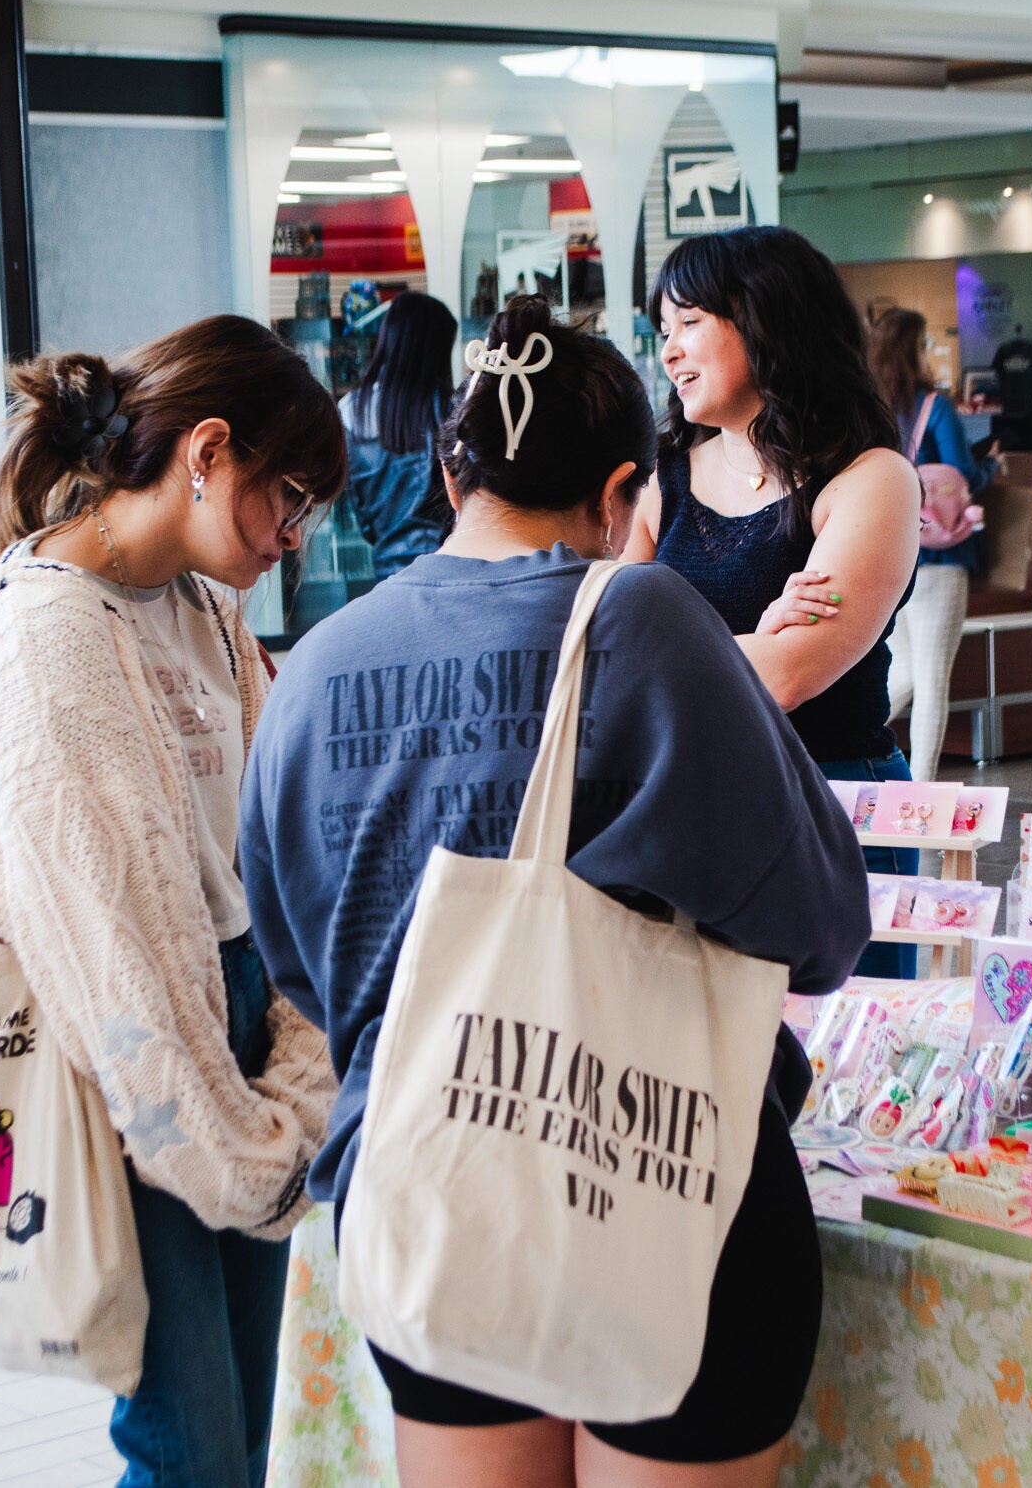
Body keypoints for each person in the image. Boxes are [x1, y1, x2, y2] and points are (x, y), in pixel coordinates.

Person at [241, 293, 870, 1488]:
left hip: (426, 1184)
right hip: (670, 1189)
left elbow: (299, 959)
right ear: (626, 490)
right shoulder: (644, 621)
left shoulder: (314, 665)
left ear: (446, 464)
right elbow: (823, 923)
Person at [0, 315, 346, 1488]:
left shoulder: (207, 606)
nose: (294, 537)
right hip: (126, 1055)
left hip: (240, 1016)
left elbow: (272, 835)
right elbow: (99, 931)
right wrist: (230, 1130)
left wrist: (288, 1059)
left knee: (245, 1430)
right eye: (287, 497)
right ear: (207, 452)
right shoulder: (45, 628)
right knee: (192, 1448)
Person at [623, 227, 921, 976]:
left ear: (765, 321)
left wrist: (683, 653)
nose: (668, 351)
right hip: (693, 801)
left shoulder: (871, 477)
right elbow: (606, 658)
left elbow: (790, 679)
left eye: (689, 322)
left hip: (836, 802)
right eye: (663, 330)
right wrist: (754, 638)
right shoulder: (663, 477)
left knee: (849, 1070)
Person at [868, 305, 1001, 784]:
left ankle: (825, 749)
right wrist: (991, 467)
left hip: (892, 555)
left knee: (901, 670)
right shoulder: (933, 406)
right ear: (914, 350)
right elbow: (962, 472)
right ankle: (920, 794)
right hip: (942, 556)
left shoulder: (870, 406)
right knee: (932, 680)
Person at [339, 290, 457, 579]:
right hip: (447, 564)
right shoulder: (449, 408)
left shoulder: (353, 409)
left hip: (384, 568)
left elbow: (359, 505)